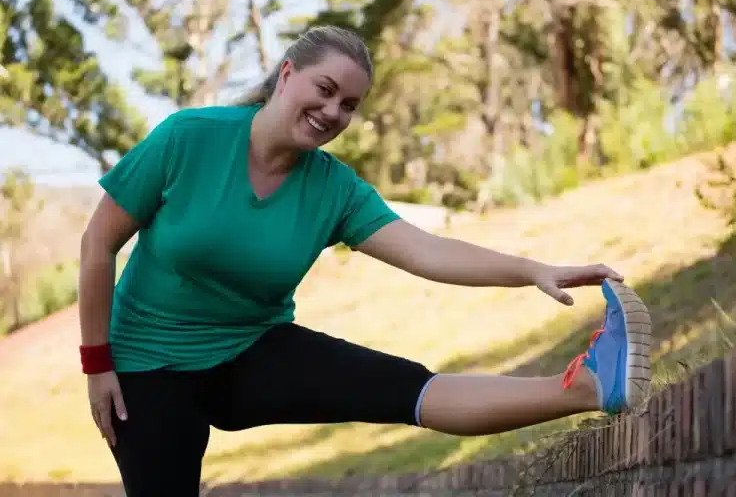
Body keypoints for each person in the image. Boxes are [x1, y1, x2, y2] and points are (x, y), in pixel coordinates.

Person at [78, 25, 652, 496]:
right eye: (324, 89)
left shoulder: (335, 190)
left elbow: (429, 251)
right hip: (146, 368)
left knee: (405, 388)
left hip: (250, 348)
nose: (332, 111)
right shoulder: (188, 139)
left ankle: (589, 388)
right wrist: (98, 364)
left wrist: (532, 270)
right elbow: (98, 244)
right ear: (286, 75)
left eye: (348, 105)